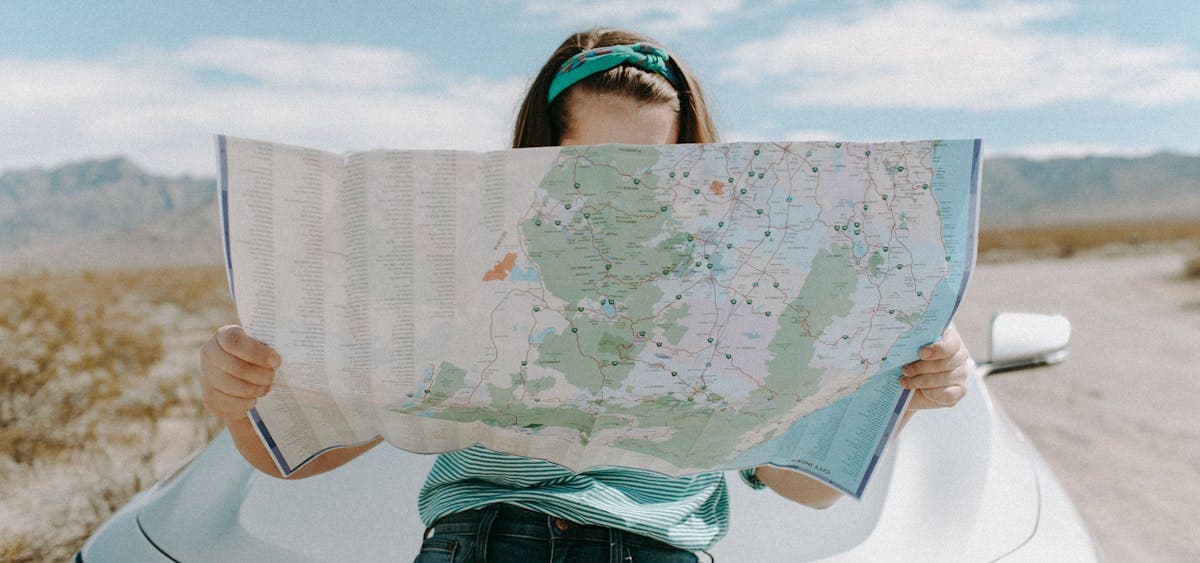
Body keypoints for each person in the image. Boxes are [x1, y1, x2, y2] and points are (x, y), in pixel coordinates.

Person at [199, 28, 971, 562]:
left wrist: (903, 394)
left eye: (650, 167)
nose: (615, 189)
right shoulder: (463, 261)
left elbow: (803, 486)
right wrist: (243, 399)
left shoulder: (739, 280)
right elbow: (300, 458)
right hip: (483, 538)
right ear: (538, 156)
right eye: (589, 163)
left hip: (657, 546)